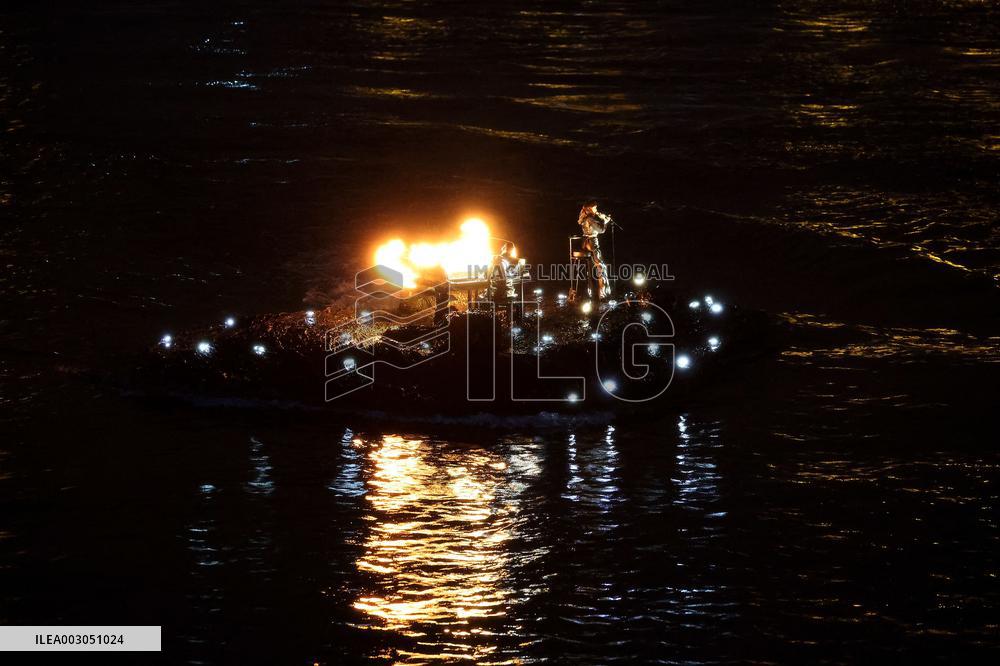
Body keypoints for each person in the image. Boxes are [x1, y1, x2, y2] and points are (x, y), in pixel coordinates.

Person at [577, 202, 612, 300]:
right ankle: (602, 294)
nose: (596, 209)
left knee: (593, 266)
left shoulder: (584, 217)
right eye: (594, 208)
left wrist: (600, 217)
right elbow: (601, 230)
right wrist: (605, 221)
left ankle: (591, 292)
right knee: (601, 267)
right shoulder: (590, 218)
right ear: (588, 209)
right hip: (592, 242)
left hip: (585, 242)